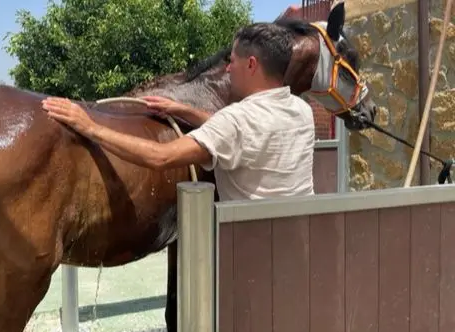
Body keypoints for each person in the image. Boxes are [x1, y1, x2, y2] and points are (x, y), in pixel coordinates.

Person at [41, 21, 315, 201]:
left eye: (232, 61)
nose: (229, 69)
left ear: (252, 64)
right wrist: (182, 109)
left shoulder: (236, 120)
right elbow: (248, 135)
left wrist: (90, 126)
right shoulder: (303, 111)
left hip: (248, 254)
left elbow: (161, 157)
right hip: (298, 244)